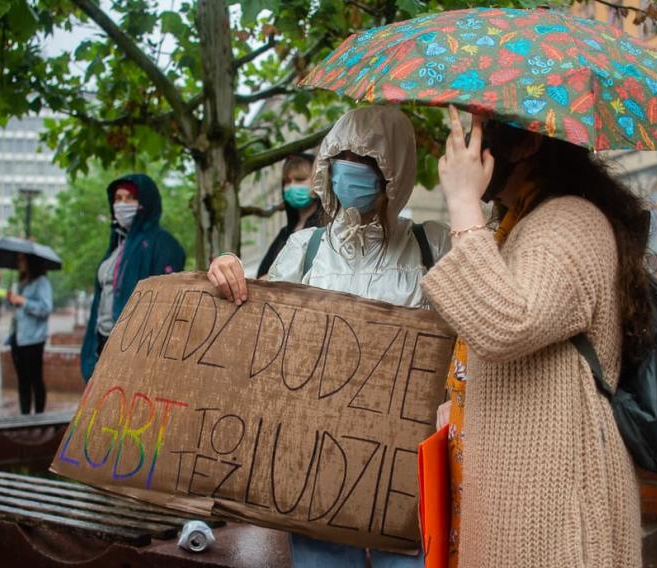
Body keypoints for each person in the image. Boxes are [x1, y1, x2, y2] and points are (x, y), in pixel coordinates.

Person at [208, 105, 450, 567]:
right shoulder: (302, 251)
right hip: (317, 468)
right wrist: (224, 273)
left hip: (404, 474)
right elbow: (256, 336)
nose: (351, 171)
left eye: (369, 161)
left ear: (393, 171)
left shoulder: (433, 246)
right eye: (343, 158)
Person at [422, 107, 651, 567]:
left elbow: (506, 324)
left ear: (527, 144)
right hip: (520, 495)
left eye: (481, 129)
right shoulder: (525, 222)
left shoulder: (570, 222)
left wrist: (464, 205)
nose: (468, 141)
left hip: (554, 516)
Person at [80, 173, 186, 382]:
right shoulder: (116, 246)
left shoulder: (163, 244)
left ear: (145, 202)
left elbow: (166, 308)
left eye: (130, 198)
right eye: (118, 199)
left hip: (134, 352)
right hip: (102, 343)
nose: (122, 204)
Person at [256, 153, 323, 278]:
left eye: (300, 179)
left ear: (318, 182)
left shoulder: (326, 230)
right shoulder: (285, 232)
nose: (292, 186)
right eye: (287, 181)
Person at [7, 253, 53, 415]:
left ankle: (39, 417)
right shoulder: (22, 283)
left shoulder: (42, 282)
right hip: (17, 337)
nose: (19, 262)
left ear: (31, 261)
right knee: (22, 380)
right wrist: (12, 300)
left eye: (22, 259)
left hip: (33, 339)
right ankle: (24, 416)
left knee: (35, 379)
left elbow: (46, 308)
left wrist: (22, 301)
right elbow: (20, 312)